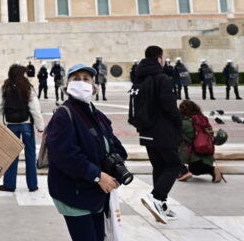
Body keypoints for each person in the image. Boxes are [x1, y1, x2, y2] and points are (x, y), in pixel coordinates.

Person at [45, 64, 128, 241]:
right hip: (73, 192)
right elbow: (65, 155)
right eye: (76, 78)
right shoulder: (63, 115)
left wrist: (116, 172)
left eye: (86, 79)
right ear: (67, 85)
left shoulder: (98, 116)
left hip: (94, 193)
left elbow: (117, 148)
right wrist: (98, 176)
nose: (81, 82)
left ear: (93, 85)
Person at [133, 46, 182, 224]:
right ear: (159, 59)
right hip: (163, 131)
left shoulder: (139, 77)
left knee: (159, 167)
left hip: (145, 129)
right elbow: (169, 107)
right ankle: (156, 197)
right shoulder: (161, 78)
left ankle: (161, 205)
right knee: (175, 165)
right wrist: (179, 123)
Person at [0, 64, 44, 193]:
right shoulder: (27, 87)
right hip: (26, 124)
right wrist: (40, 126)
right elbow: (35, 109)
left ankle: (9, 185)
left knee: (12, 155)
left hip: (11, 124)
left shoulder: (5, 87)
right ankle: (32, 185)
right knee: (30, 154)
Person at [177, 100, 225, 183]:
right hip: (206, 153)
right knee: (195, 170)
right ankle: (212, 170)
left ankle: (183, 172)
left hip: (191, 154)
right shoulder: (202, 120)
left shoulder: (183, 123)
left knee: (171, 152)